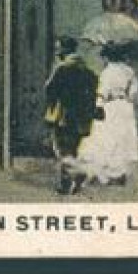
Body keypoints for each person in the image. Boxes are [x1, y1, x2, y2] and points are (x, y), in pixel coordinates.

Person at [77, 43, 138, 186]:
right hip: (125, 107)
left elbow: (102, 92)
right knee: (122, 139)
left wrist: (98, 106)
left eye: (104, 57)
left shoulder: (108, 72)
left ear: (108, 57)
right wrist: (128, 96)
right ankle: (119, 173)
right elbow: (135, 88)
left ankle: (106, 172)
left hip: (111, 107)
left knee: (106, 138)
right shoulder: (128, 71)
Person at [42, 36, 98, 195]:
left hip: (64, 117)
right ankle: (74, 179)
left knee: (62, 149)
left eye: (58, 48)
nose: (56, 51)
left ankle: (71, 179)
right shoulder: (88, 71)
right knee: (73, 148)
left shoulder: (62, 69)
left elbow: (50, 90)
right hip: (82, 118)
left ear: (65, 50)